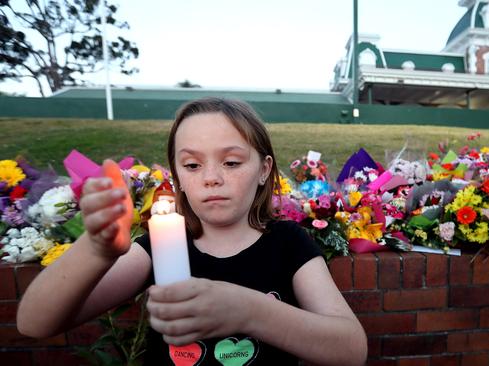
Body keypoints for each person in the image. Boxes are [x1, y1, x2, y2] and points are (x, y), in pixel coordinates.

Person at [16, 98, 368, 366]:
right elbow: (35, 322)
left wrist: (250, 312)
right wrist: (96, 249)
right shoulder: (160, 244)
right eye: (192, 165)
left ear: (264, 170)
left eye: (231, 162)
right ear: (178, 177)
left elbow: (351, 348)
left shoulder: (288, 242)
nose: (211, 177)